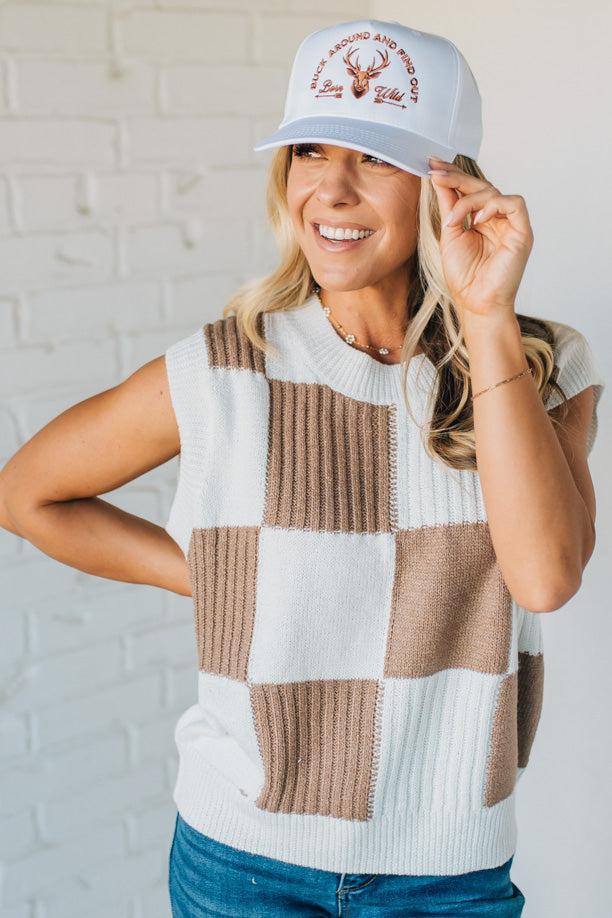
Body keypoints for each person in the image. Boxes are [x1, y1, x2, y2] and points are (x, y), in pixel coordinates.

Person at [0, 17, 606, 918]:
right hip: (244, 856)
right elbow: (29, 494)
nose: (331, 188)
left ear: (454, 186)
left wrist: (486, 318)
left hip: (446, 868)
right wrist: (224, 578)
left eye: (375, 157)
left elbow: (546, 575)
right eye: (309, 152)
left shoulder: (540, 361)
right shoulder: (224, 366)